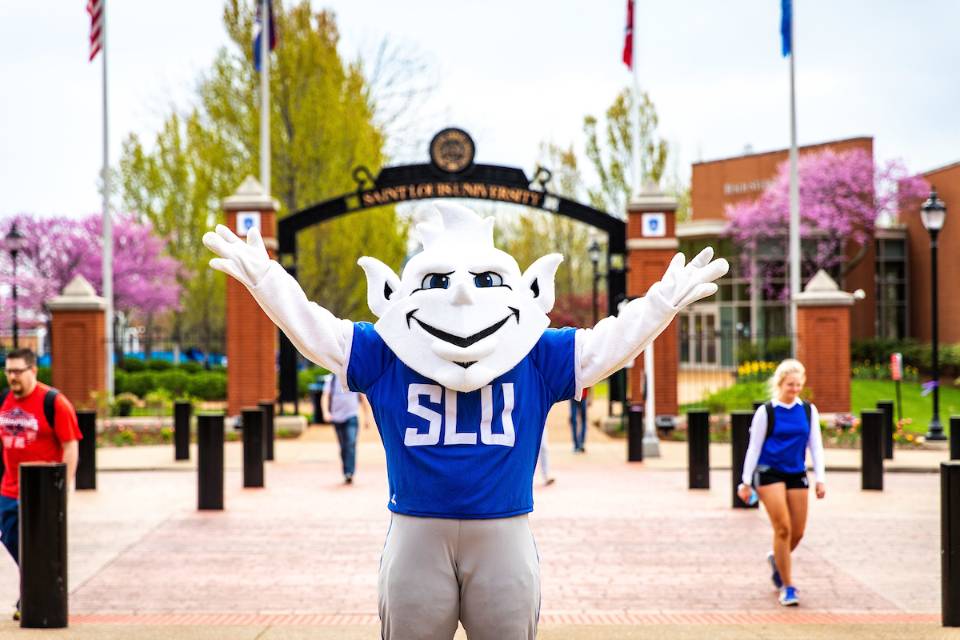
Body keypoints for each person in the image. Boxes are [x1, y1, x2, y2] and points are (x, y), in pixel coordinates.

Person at [204, 202, 727, 639]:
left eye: (484, 280)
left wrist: (659, 303)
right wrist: (268, 280)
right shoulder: (387, 349)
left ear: (529, 291)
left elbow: (608, 346)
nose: (461, 294)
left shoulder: (535, 352)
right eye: (436, 280)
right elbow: (315, 330)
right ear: (393, 293)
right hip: (417, 528)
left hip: (502, 528)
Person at [0, 348, 81, 620]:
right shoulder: (4, 401)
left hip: (42, 491)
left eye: (18, 371)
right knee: (12, 539)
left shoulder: (54, 402)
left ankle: (34, 597)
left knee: (40, 545)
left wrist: (62, 487)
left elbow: (70, 446)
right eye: (8, 371)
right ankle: (35, 589)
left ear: (33, 370)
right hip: (9, 489)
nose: (12, 377)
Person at [738, 358, 825, 607]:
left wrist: (821, 479)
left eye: (798, 385)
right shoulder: (767, 412)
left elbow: (816, 447)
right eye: (790, 385)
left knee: (797, 532)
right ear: (780, 384)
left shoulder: (808, 411)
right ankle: (788, 586)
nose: (795, 389)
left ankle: (777, 557)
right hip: (769, 473)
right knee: (783, 528)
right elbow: (753, 448)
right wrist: (745, 482)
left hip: (796, 472)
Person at [321, 372, 370, 484]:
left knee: (350, 443)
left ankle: (349, 472)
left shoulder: (353, 376)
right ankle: (346, 470)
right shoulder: (331, 379)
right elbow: (325, 396)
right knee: (343, 446)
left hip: (351, 415)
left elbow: (363, 398)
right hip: (336, 417)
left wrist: (367, 417)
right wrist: (325, 412)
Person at [568, 387, 589, 452]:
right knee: (577, 421)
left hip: (580, 396)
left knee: (579, 420)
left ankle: (579, 443)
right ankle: (578, 443)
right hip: (575, 396)